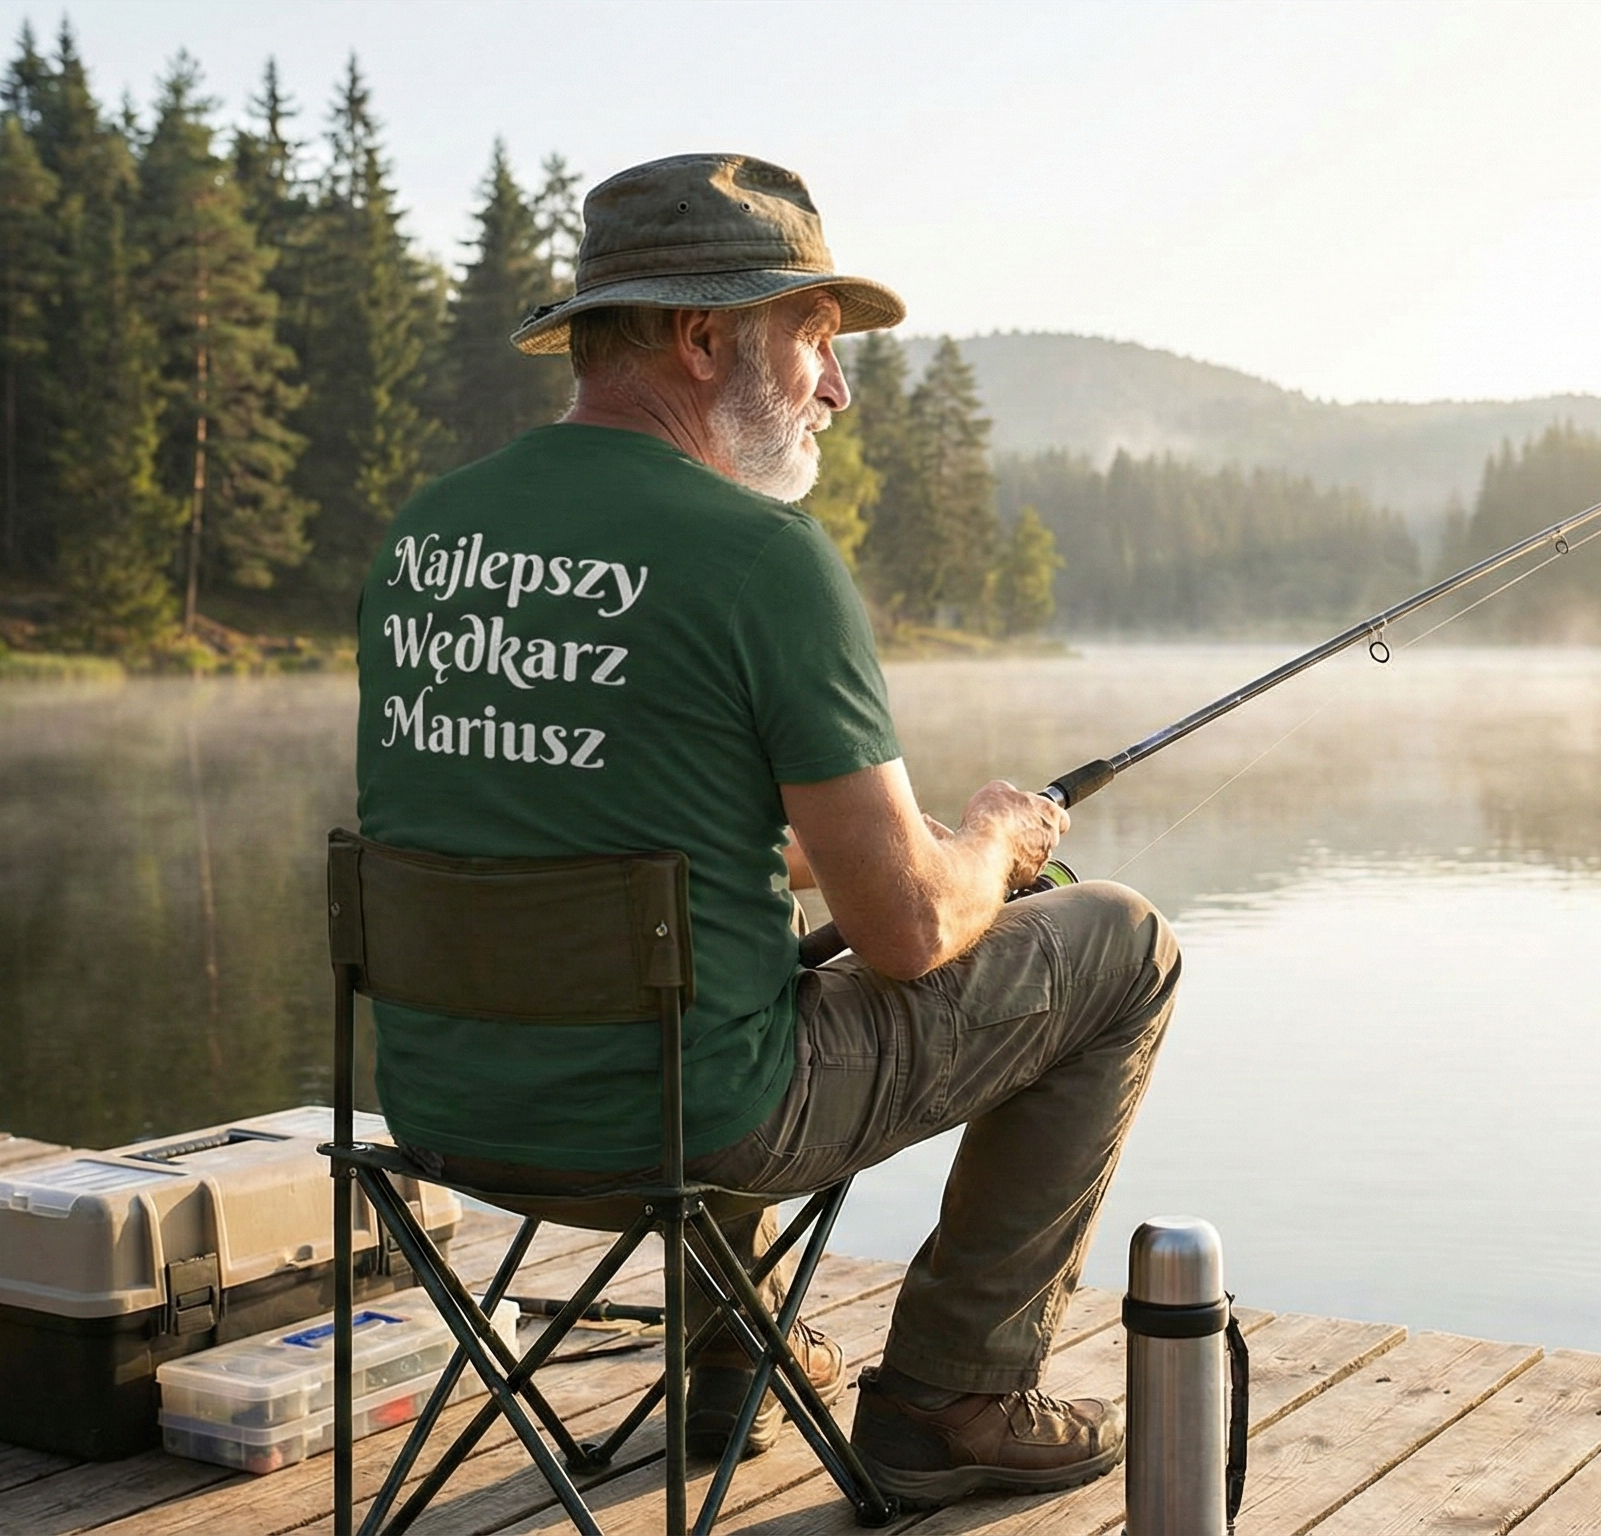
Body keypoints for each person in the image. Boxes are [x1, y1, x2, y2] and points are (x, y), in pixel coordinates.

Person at [352, 153, 1180, 1509]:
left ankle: (736, 1360)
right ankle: (950, 1396)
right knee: (1123, 946)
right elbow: (909, 936)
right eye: (816, 343)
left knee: (728, 950)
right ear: (701, 337)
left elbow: (575, 817)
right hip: (688, 1126)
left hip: (445, 1110)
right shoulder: (759, 560)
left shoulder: (428, 536)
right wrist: (988, 841)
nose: (838, 392)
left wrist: (826, 846)